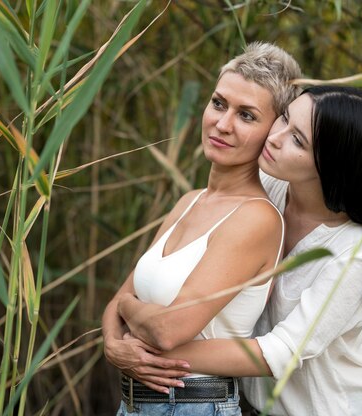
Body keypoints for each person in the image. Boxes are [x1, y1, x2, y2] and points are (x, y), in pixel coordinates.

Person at [113, 86, 362, 416]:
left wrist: (151, 351)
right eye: (285, 119)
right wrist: (124, 338)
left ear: (333, 164)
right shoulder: (269, 190)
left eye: (298, 141)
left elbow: (279, 352)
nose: (275, 138)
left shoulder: (352, 254)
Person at [102, 42, 303, 415]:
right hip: (133, 404)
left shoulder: (256, 218)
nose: (223, 124)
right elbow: (114, 302)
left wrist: (127, 309)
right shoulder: (189, 201)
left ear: (272, 132)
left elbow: (166, 329)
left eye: (246, 116)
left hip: (193, 405)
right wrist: (114, 345)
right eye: (219, 103)